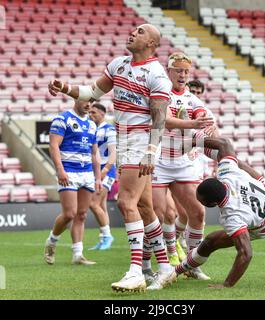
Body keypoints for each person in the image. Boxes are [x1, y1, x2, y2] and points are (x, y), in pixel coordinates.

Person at [48, 24, 176, 292]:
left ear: (152, 43)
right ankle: (164, 268)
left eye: (140, 32)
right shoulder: (118, 64)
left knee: (125, 201)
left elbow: (160, 117)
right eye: (133, 29)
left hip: (140, 142)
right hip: (126, 140)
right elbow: (90, 93)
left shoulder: (157, 75)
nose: (133, 32)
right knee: (143, 207)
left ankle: (136, 272)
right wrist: (65, 88)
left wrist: (151, 151)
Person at [175, 136, 265, 287]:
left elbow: (246, 254)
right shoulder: (226, 172)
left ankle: (177, 271)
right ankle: (183, 271)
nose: (199, 203)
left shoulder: (232, 216)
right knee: (234, 161)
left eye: (201, 201)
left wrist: (227, 284)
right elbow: (224, 143)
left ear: (211, 204)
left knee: (210, 242)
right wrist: (194, 142)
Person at [148, 52, 217, 280]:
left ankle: (192, 265)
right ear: (169, 71)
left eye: (186, 71)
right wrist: (194, 124)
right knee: (157, 214)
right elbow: (164, 119)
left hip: (182, 163)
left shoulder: (192, 99)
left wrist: (209, 130)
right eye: (178, 70)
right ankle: (150, 265)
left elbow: (208, 123)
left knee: (197, 212)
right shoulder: (162, 92)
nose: (183, 75)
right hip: (158, 159)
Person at [44, 100, 101, 265]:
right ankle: (52, 241)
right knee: (70, 213)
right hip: (69, 171)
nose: (89, 104)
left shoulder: (91, 125)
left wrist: (97, 177)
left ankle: (78, 255)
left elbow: (94, 153)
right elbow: (54, 146)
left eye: (92, 101)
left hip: (87, 173)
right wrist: (60, 169)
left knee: (81, 214)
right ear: (77, 99)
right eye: (86, 100)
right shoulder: (63, 119)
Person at [89, 103, 116, 251]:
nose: (90, 115)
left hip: (106, 170)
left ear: (102, 114)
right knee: (101, 205)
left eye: (94, 112)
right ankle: (103, 238)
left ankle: (107, 236)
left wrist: (104, 171)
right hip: (95, 170)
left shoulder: (109, 130)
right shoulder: (91, 129)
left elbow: (113, 154)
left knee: (93, 203)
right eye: (90, 112)